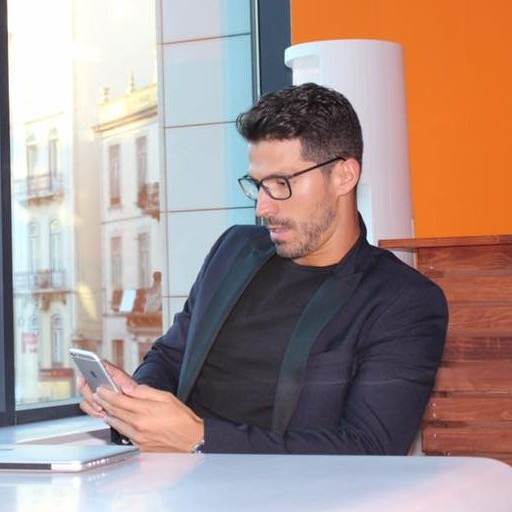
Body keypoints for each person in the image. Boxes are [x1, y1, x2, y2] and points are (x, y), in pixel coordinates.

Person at [79, 83, 448, 455]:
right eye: (258, 185)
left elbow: (370, 448)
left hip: (284, 489)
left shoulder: (402, 301)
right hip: (168, 478)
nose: (262, 207)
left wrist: (200, 438)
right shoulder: (233, 249)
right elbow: (172, 355)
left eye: (281, 184)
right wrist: (133, 399)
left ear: (344, 176)